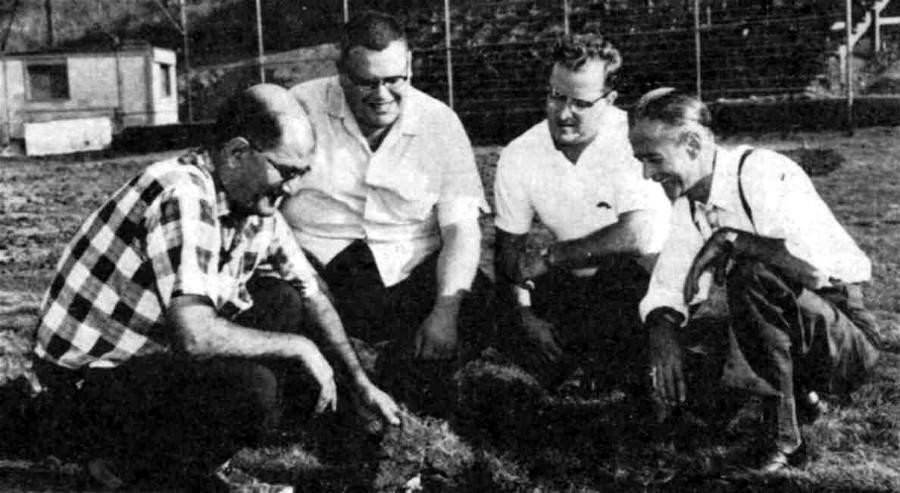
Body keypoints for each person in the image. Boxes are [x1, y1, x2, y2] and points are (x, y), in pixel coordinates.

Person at [31, 84, 400, 487]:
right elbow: (195, 337)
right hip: (85, 379)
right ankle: (126, 471)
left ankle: (190, 461)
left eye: (300, 174)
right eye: (286, 171)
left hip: (147, 356)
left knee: (284, 301)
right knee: (253, 391)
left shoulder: (256, 204)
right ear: (237, 153)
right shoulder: (183, 193)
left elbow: (311, 293)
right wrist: (300, 348)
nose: (292, 188)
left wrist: (362, 385)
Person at [631, 88, 879, 472]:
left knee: (751, 276)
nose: (647, 174)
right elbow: (668, 287)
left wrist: (732, 239)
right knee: (678, 355)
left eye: (653, 159)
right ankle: (798, 397)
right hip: (798, 335)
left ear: (693, 144)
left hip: (846, 341)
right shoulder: (690, 206)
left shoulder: (761, 171)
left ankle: (782, 438)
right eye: (640, 161)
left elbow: (812, 271)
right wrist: (662, 334)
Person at [281, 10, 491, 377]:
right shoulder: (299, 107)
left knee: (478, 297)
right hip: (317, 268)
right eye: (366, 82)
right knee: (279, 302)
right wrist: (300, 273)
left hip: (405, 268)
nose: (382, 96)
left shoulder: (439, 121)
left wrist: (445, 312)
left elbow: (461, 229)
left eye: (394, 80)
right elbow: (265, 206)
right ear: (341, 72)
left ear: (410, 65)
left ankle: (398, 372)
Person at [492, 33, 670, 389]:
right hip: (576, 280)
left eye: (581, 103)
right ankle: (584, 365)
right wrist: (525, 314)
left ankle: (613, 365)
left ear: (610, 100)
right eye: (556, 96)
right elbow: (508, 249)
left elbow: (639, 234)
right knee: (501, 313)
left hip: (653, 276)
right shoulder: (520, 152)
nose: (564, 113)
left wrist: (553, 256)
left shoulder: (633, 137)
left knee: (616, 289)